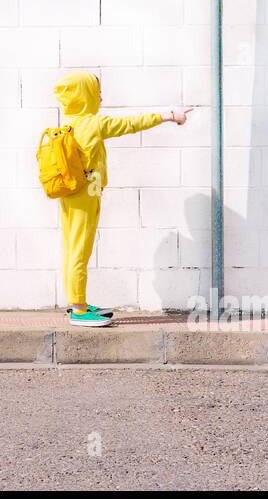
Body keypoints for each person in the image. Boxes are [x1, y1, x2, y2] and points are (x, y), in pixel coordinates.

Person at [52, 71, 192, 327]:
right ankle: (80, 311)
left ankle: (77, 302)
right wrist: (168, 115)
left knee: (72, 246)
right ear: (85, 94)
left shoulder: (68, 122)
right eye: (97, 91)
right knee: (80, 248)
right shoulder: (91, 123)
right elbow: (130, 123)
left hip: (70, 192)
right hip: (87, 192)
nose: (102, 96)